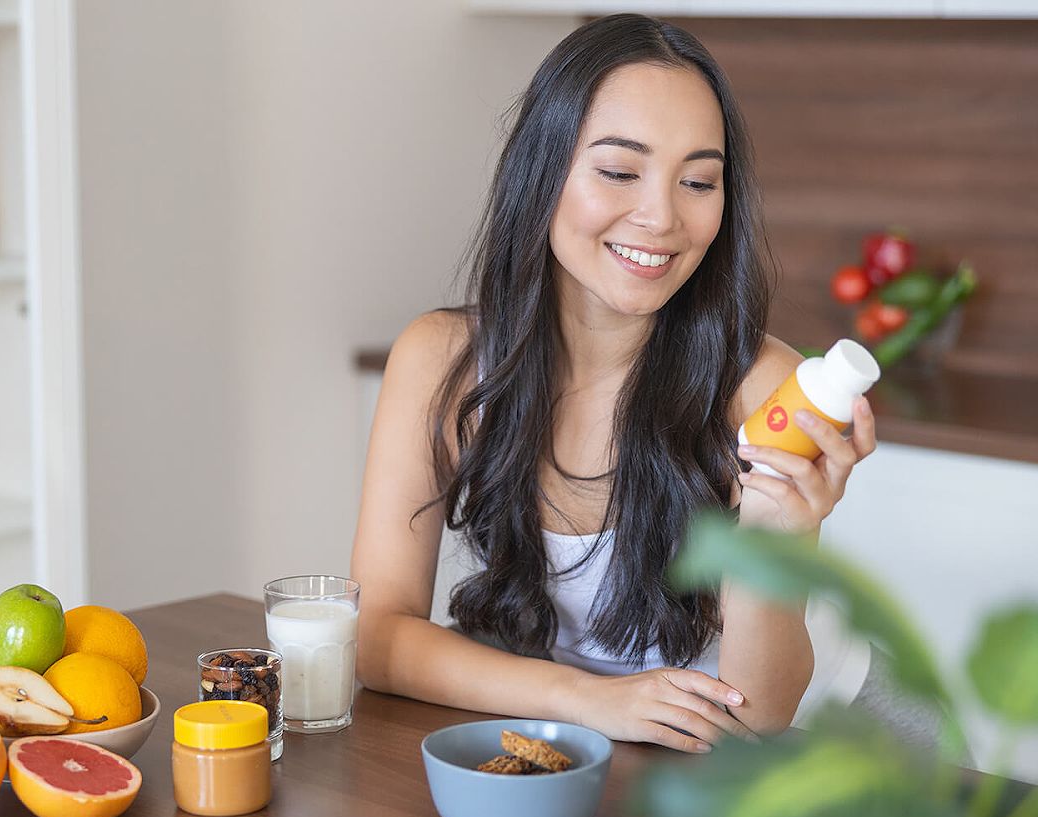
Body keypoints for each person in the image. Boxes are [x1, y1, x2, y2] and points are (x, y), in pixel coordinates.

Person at [351, 14, 882, 753]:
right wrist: (589, 701)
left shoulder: (764, 390)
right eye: (619, 171)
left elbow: (759, 712)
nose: (662, 217)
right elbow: (377, 638)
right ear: (542, 173)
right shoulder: (441, 361)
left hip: (822, 752)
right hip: (608, 742)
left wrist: (775, 534)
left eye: (698, 181)